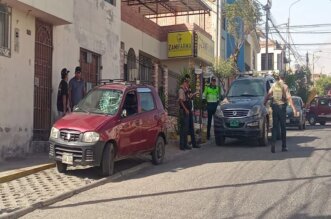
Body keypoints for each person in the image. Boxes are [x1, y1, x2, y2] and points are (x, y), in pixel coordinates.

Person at [264, 72, 297, 153]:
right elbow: (289, 98)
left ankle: (273, 144)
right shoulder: (285, 86)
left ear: (279, 77)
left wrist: (264, 102)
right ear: (284, 78)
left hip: (274, 107)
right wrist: (294, 109)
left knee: (274, 127)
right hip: (282, 108)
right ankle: (284, 146)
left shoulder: (274, 85)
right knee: (283, 127)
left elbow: (268, 95)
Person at [178, 74, 199, 150]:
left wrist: (194, 94)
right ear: (184, 82)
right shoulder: (181, 90)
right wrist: (186, 110)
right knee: (184, 129)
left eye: (188, 82)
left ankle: (193, 144)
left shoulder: (187, 89)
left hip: (188, 110)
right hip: (184, 111)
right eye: (186, 82)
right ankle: (182, 145)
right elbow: (180, 101)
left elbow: (188, 97)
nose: (188, 83)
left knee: (190, 128)